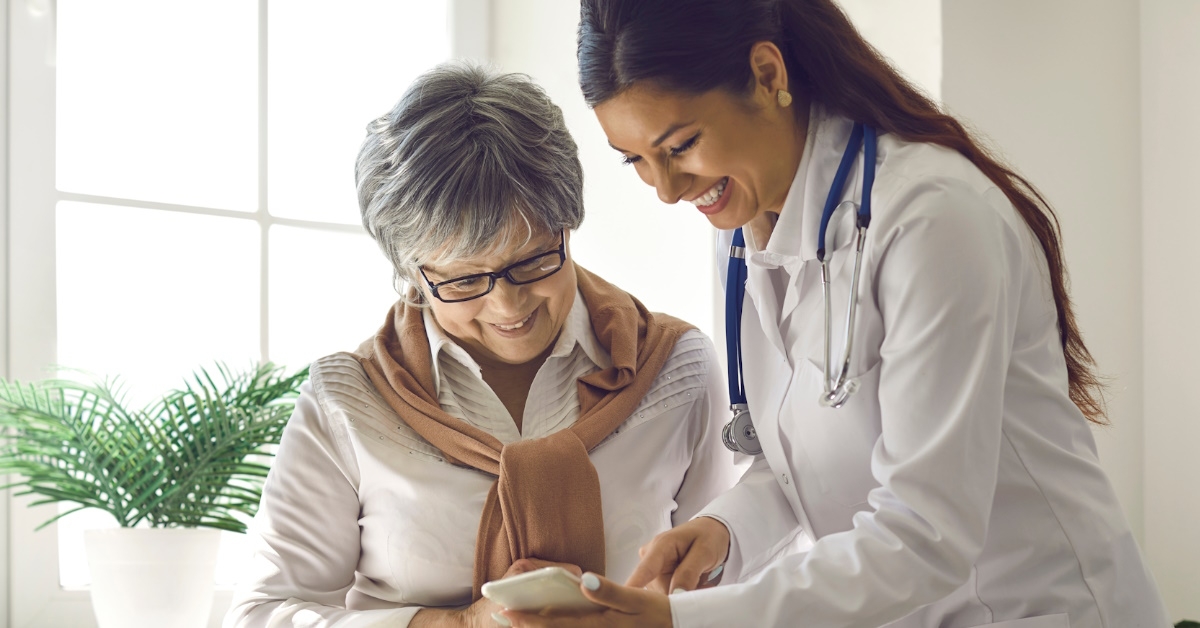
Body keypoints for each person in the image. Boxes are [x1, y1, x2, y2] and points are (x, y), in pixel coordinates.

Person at [500, 1, 1172, 627]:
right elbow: (804, 464)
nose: (668, 191)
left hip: (1041, 609)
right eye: (637, 162)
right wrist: (723, 532)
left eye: (680, 147)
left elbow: (924, 533)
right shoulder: (740, 224)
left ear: (767, 74)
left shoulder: (931, 219)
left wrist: (687, 620)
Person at [224, 62, 740, 628]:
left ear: (568, 225)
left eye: (534, 261)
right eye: (465, 280)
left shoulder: (676, 368)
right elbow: (261, 615)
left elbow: (735, 591)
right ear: (412, 273)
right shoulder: (348, 400)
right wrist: (457, 625)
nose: (508, 307)